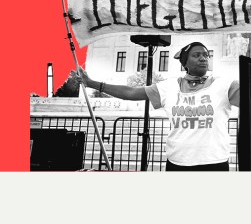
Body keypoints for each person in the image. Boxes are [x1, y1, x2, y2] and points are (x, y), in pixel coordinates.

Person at [78, 42, 239, 170]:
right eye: (196, 55)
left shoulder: (223, 84)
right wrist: (92, 83)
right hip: (178, 163)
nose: (203, 58)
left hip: (214, 163)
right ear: (185, 63)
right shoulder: (168, 87)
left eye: (206, 55)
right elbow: (130, 93)